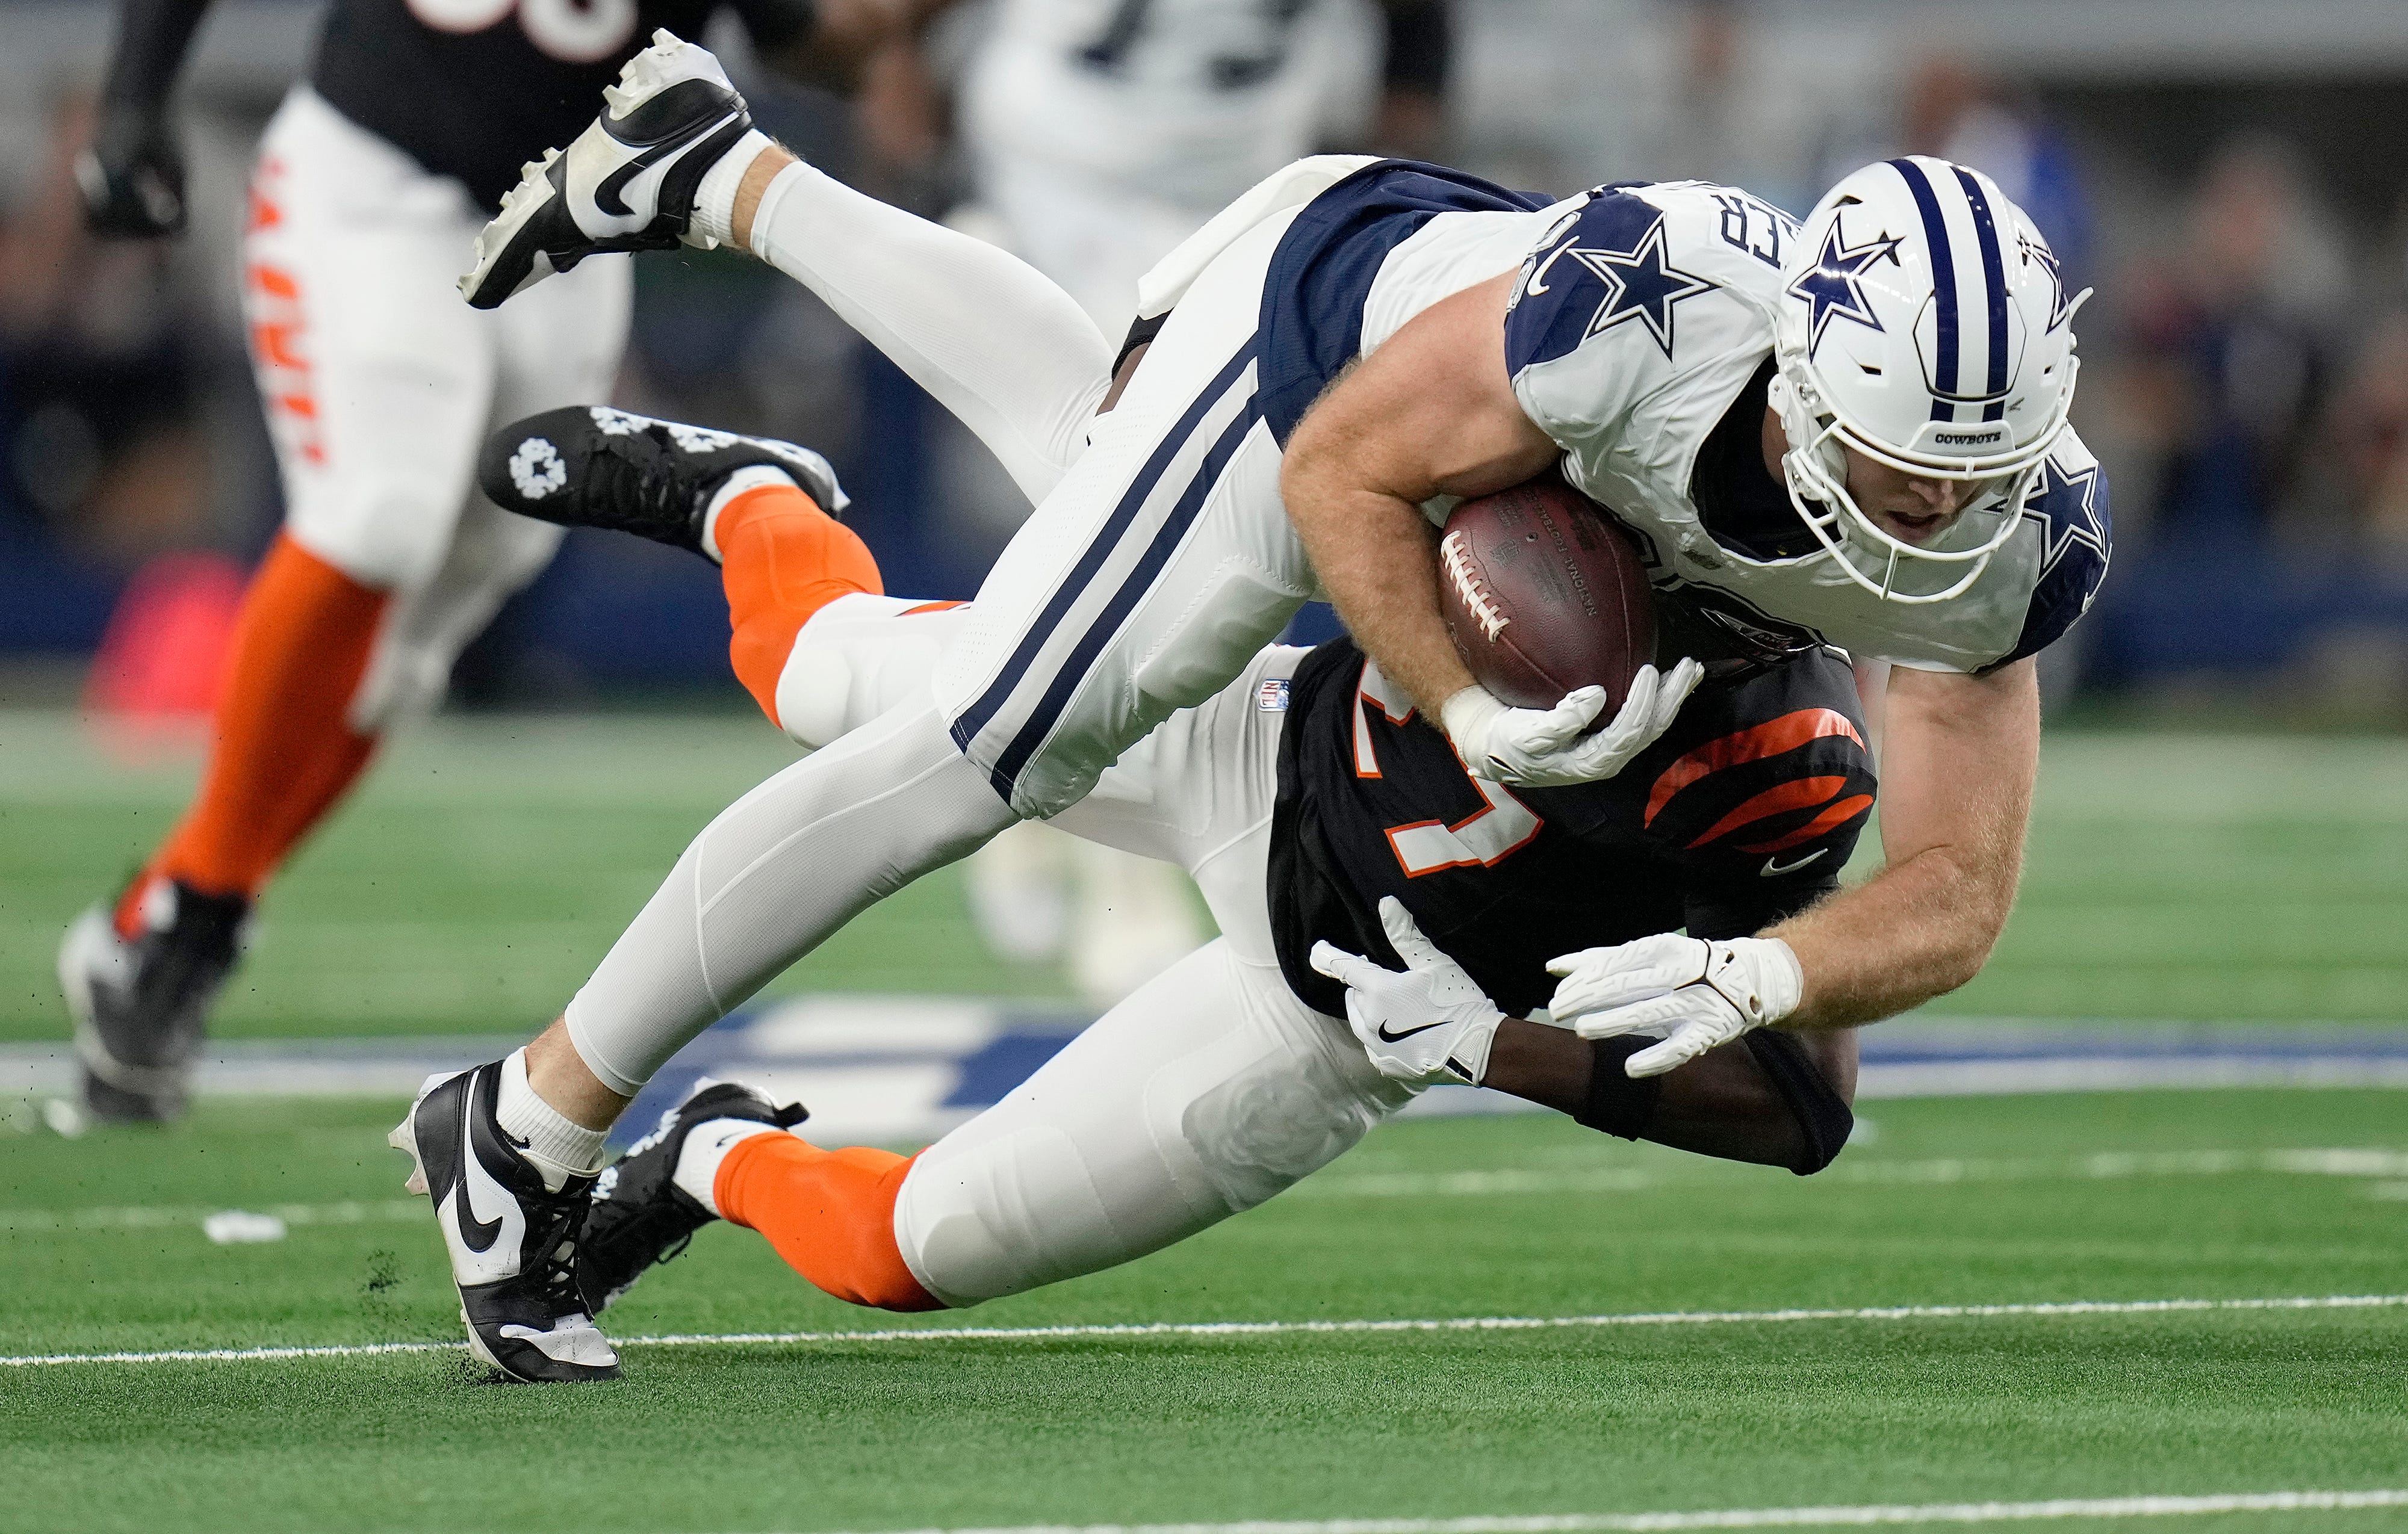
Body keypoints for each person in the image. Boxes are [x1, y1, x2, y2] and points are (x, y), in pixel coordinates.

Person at [396, 31, 2109, 1380]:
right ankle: (528, 1114)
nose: (1926, 521)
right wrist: (1468, 697)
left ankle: (723, 185)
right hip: (1331, 360)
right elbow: (1347, 464)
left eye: (1974, 481)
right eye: (1897, 471)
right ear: (1805, 374)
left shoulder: (1971, 588)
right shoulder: (1639, 313)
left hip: (1338, 962)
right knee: (984, 741)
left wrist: (1752, 968)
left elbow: (1946, 899)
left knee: (975, 618)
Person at [414, 395, 1869, 1365]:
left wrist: (1491, 1045)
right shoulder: (1573, 416)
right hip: (1248, 739)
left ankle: (711, 1159)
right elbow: (1332, 447)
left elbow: (1799, 1109)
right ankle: (751, 502)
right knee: (814, 670)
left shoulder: (1780, 752)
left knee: (899, 1251)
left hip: (1332, 1011)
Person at [57, 0, 922, 1122]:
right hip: (372, 183)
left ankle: (162, 926)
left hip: (576, 223)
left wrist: (894, 31)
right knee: (377, 516)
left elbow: (800, 33)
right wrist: (134, 95)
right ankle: (195, 917)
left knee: (420, 634)